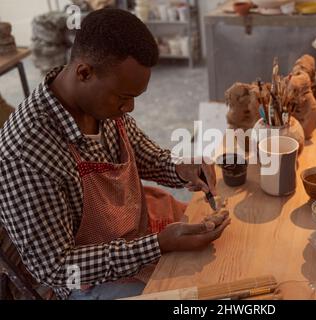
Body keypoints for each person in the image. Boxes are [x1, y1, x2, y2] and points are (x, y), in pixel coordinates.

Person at [0, 8, 230, 300]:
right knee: (188, 296)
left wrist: (180, 168)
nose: (129, 108)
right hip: (87, 280)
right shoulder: (25, 153)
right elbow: (57, 267)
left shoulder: (102, 103)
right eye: (124, 97)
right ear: (84, 72)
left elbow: (146, 156)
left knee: (220, 261)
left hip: (132, 233)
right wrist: (156, 245)